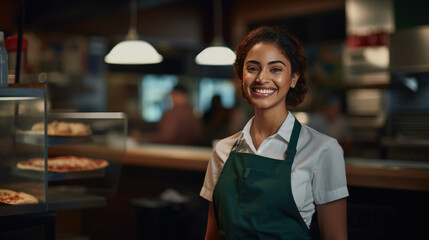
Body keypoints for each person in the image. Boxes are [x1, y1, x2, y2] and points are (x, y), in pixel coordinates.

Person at [200, 26, 349, 239]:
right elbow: (212, 235)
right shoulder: (222, 150)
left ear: (294, 78)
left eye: (276, 69)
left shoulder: (323, 149)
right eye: (252, 68)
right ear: (241, 76)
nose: (262, 78)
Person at [131, 84, 203, 145]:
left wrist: (143, 136)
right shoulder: (193, 114)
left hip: (171, 153)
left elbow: (166, 136)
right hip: (189, 153)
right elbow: (198, 135)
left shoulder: (173, 113)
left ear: (174, 94)